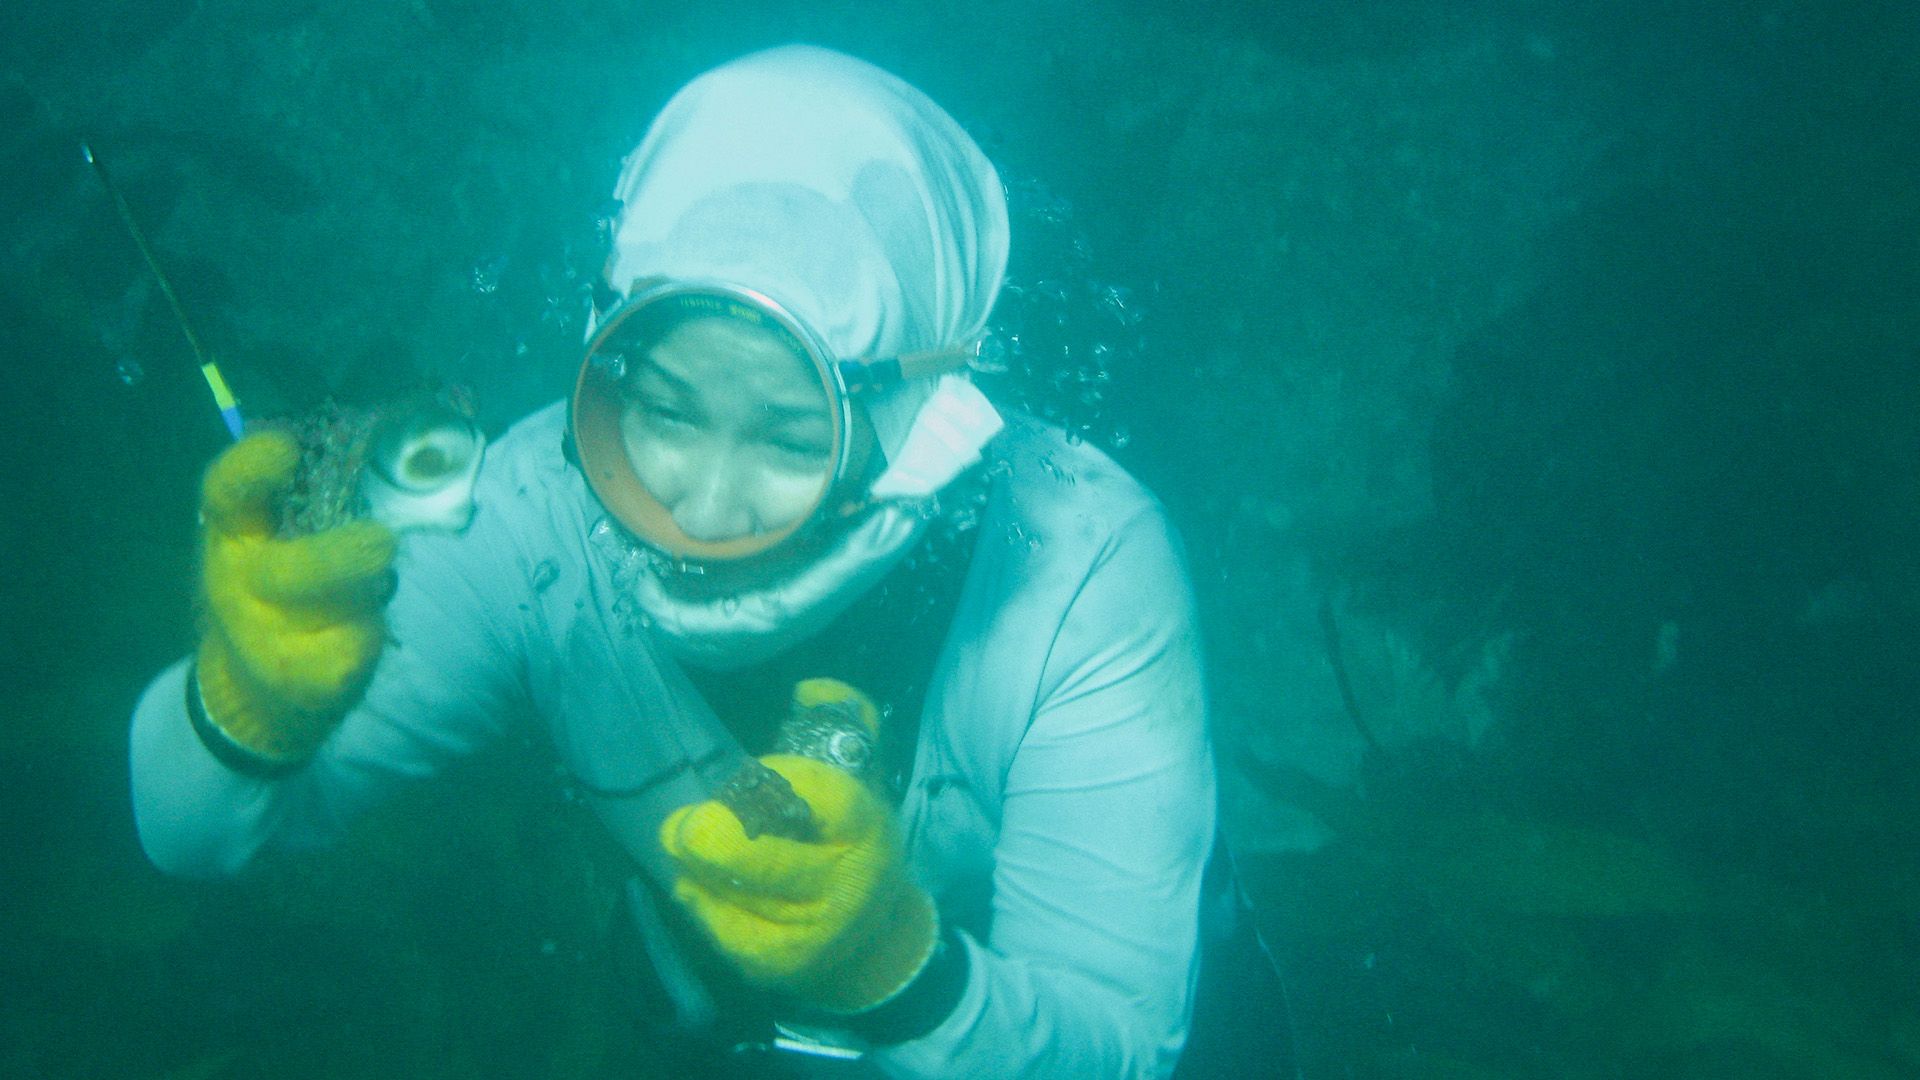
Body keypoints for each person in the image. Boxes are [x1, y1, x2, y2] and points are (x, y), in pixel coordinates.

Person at [130, 45, 1217, 1078]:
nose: (702, 507)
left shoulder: (1078, 566)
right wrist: (242, 711)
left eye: (793, 438)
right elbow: (194, 837)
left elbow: (1121, 1049)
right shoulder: (530, 517)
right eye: (663, 411)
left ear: (919, 410)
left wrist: (895, 966)